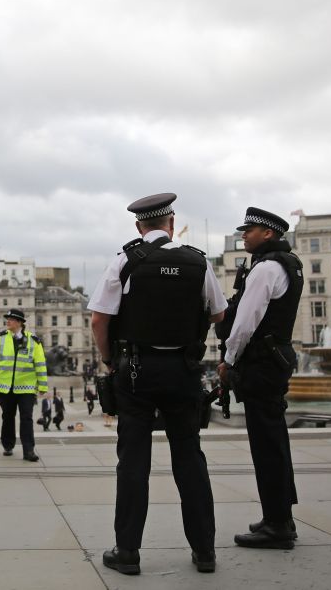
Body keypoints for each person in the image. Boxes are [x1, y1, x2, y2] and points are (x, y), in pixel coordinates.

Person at [89, 193, 227, 575]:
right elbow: (219, 312)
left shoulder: (126, 261)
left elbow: (99, 320)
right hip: (183, 369)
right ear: (171, 223)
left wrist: (108, 360)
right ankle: (204, 551)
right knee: (189, 458)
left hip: (136, 369)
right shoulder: (199, 262)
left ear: (139, 226)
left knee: (133, 461)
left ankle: (128, 552)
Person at [218, 207, 303, 550]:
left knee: (266, 445)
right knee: (274, 441)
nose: (244, 235)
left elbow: (245, 322)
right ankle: (278, 515)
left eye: (249, 230)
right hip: (276, 360)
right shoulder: (289, 264)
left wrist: (228, 359)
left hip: (261, 363)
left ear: (268, 233)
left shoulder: (266, 269)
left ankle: (278, 524)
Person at [0, 308, 47, 461]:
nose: (7, 321)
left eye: (10, 319)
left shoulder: (33, 341)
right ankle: (8, 445)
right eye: (8, 319)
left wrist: (42, 385)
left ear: (19, 323)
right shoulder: (0, 339)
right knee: (8, 416)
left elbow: (40, 364)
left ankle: (28, 450)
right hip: (5, 387)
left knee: (26, 418)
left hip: (26, 386)